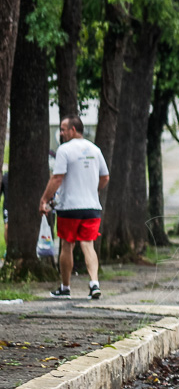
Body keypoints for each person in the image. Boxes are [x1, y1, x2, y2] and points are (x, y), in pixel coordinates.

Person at [38, 117, 109, 299]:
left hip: (69, 207)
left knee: (67, 245)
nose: (61, 133)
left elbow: (57, 178)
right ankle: (94, 284)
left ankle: (65, 287)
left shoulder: (65, 150)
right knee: (88, 244)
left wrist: (45, 199)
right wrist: (93, 190)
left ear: (74, 129)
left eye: (63, 129)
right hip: (92, 207)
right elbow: (105, 177)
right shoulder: (95, 149)